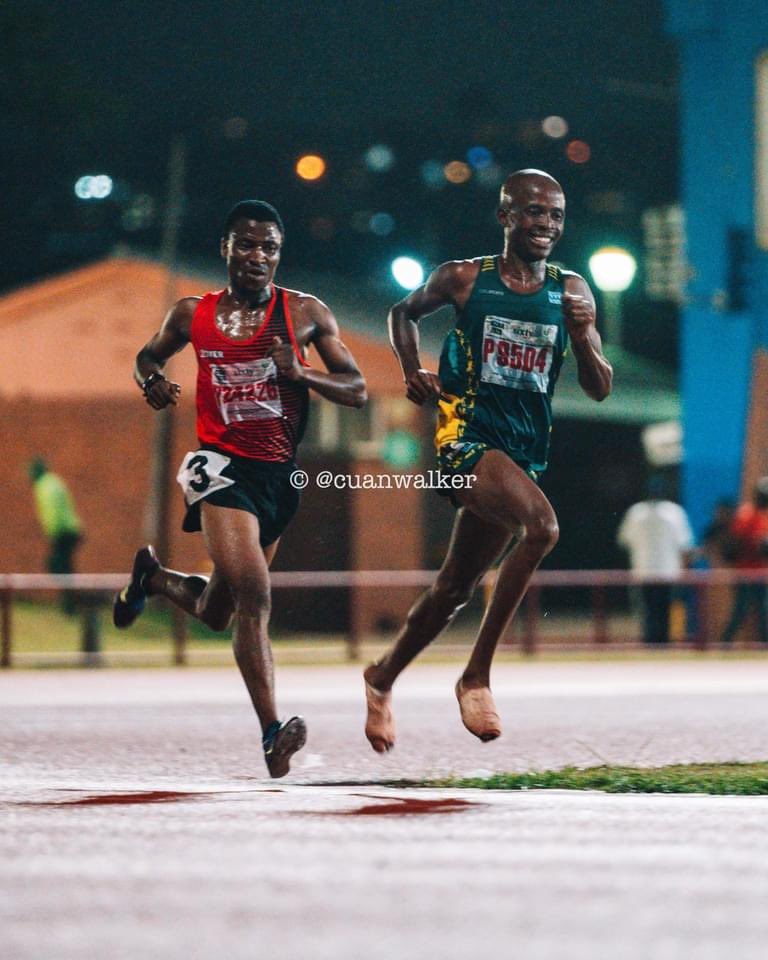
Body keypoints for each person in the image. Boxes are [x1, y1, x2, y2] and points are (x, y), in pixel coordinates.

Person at [112, 200, 367, 777]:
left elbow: (357, 390)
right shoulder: (192, 314)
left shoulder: (303, 312)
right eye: (247, 245)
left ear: (280, 255)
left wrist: (302, 373)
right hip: (221, 471)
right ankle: (273, 734)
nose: (258, 256)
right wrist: (152, 380)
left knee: (216, 611)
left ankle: (153, 578)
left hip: (278, 478)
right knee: (256, 597)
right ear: (225, 249)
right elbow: (147, 356)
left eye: (269, 248)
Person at [363, 169, 613, 752]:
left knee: (455, 587)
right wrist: (411, 370)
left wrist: (581, 337)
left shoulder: (572, 290)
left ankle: (381, 677)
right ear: (505, 217)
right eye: (534, 212)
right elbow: (403, 312)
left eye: (556, 215)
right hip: (465, 438)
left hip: (523, 453)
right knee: (542, 527)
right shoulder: (464, 278)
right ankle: (476, 676)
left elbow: (600, 387)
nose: (546, 224)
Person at [616, 476, 694, 646]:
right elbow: (685, 545)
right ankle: (663, 645)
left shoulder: (636, 512)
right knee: (664, 612)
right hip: (668, 572)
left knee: (648, 612)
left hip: (643, 570)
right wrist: (685, 570)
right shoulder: (674, 512)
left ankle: (650, 644)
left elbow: (624, 541)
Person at [29, 457, 85, 614]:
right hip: (71, 529)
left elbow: (53, 511)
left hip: (63, 531)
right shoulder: (54, 481)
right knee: (64, 566)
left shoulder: (44, 486)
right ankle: (71, 601)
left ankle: (73, 601)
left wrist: (53, 533)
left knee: (57, 565)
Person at [720, 478, 768, 647]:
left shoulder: (765, 515)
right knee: (741, 610)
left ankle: (765, 645)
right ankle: (724, 644)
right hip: (745, 572)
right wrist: (756, 544)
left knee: (763, 610)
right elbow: (735, 544)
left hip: (762, 573)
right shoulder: (745, 514)